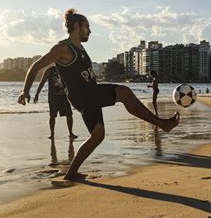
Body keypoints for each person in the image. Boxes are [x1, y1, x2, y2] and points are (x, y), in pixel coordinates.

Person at [18, 9, 180, 181]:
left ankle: (71, 173)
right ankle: (162, 124)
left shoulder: (81, 49)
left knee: (97, 136)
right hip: (84, 94)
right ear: (77, 26)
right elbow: (35, 66)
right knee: (124, 92)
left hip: (88, 95)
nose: (90, 31)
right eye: (87, 26)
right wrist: (25, 90)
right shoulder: (62, 48)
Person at [34, 66, 78, 139]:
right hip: (53, 97)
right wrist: (37, 94)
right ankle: (52, 134)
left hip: (64, 97)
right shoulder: (49, 70)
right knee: (52, 116)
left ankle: (71, 133)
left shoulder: (66, 69)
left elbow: (71, 82)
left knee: (69, 114)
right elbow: (42, 82)